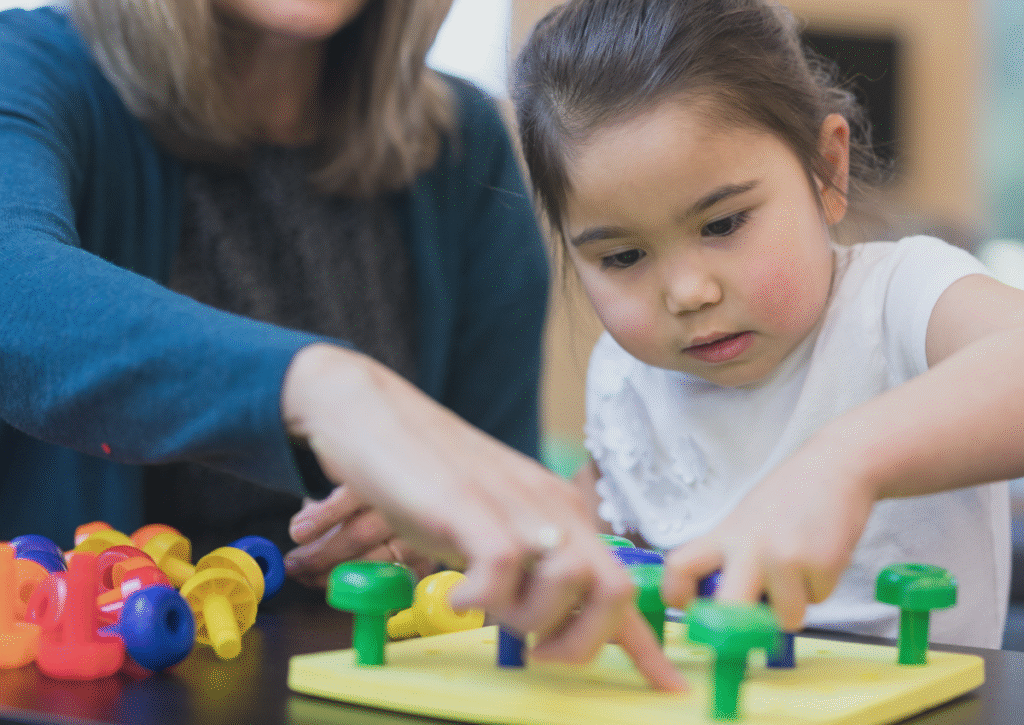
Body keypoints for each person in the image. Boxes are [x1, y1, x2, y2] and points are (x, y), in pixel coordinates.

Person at [0, 0, 684, 689]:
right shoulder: (27, 64)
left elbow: (489, 548)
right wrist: (333, 393)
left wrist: (429, 544)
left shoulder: (464, 145)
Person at [512, 0, 1018, 649]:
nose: (688, 292)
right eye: (623, 256)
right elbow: (598, 538)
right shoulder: (628, 376)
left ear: (826, 170)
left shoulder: (898, 297)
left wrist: (845, 462)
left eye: (722, 224)